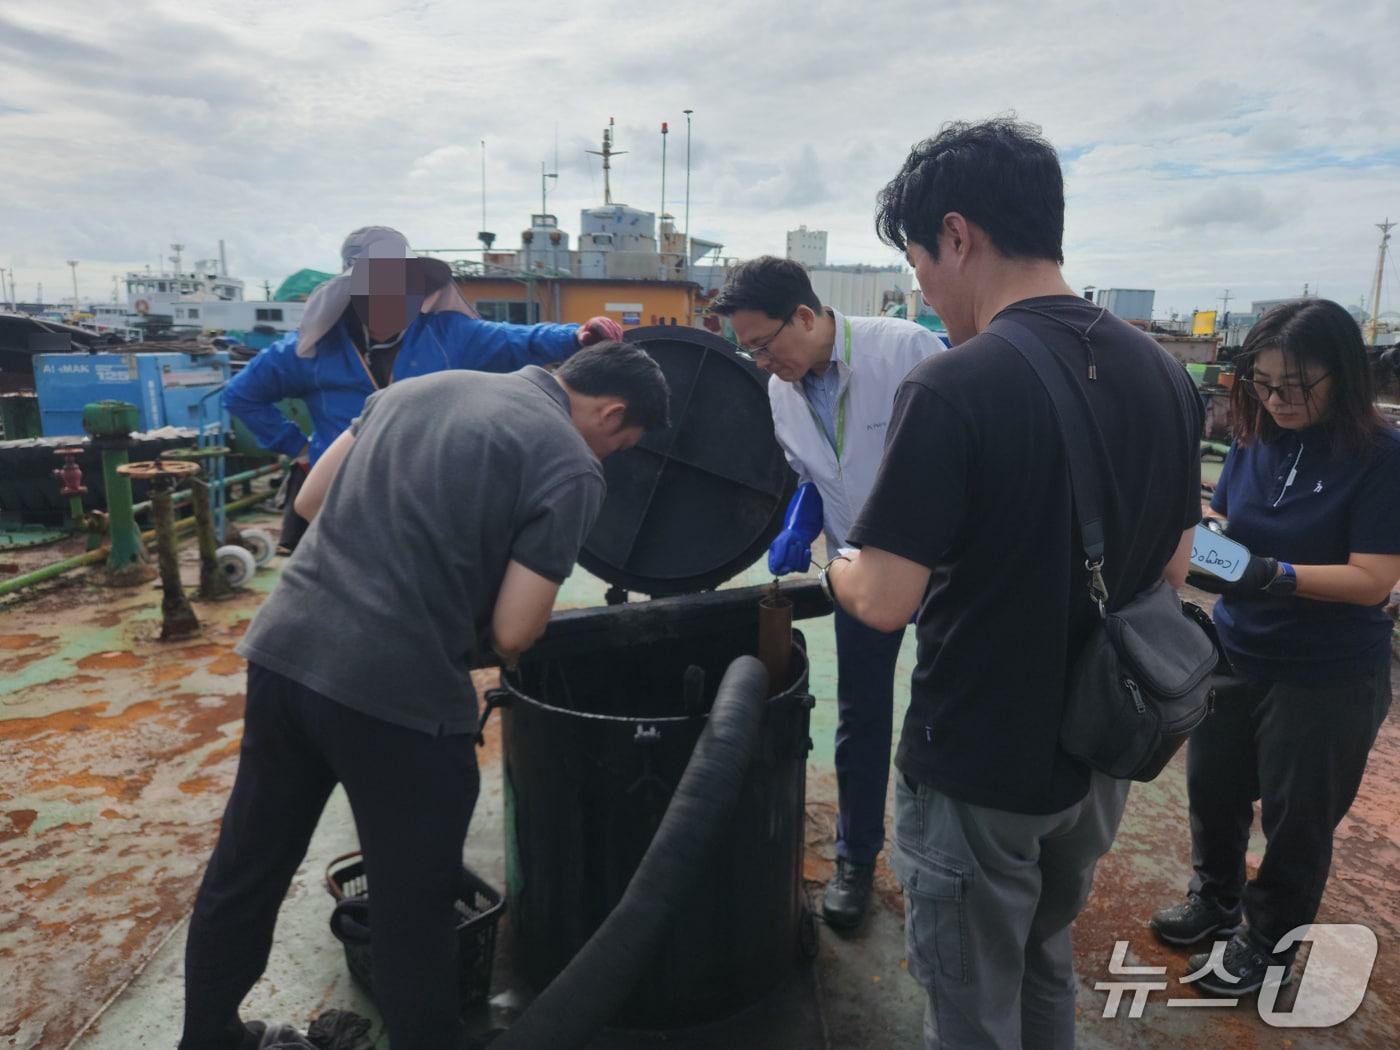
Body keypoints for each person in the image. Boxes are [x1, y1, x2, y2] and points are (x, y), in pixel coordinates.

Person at [822, 118, 1201, 1047]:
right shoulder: (1165, 372)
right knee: (1043, 955)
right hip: (1103, 745)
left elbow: (882, 598)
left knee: (969, 1001)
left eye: (919, 263)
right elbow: (1176, 565)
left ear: (957, 235)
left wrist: (835, 560)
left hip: (983, 762)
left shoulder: (957, 385)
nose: (924, 290)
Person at [179, 343, 670, 1050]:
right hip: (397, 692)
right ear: (612, 411)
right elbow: (514, 629)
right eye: (621, 444)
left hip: (286, 653)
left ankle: (208, 1037)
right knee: (414, 908)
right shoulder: (569, 463)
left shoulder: (421, 387)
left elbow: (312, 500)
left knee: (248, 865)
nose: (611, 456)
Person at [1149, 299, 1400, 994]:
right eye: (1263, 383)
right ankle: (1215, 899)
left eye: (1297, 385)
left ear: (1343, 376)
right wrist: (1209, 526)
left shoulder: (1382, 457)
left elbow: (1374, 577)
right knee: (1214, 788)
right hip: (1236, 648)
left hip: (1326, 674)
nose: (1278, 399)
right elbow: (1228, 514)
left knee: (1298, 819)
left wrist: (1274, 575)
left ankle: (1268, 939)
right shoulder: (1259, 440)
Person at [710, 256, 944, 928]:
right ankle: (855, 858)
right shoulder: (782, 390)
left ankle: (938, 861)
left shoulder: (904, 352)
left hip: (947, 569)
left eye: (762, 342)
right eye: (746, 347)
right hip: (857, 567)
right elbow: (816, 470)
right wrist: (803, 518)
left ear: (806, 317)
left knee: (944, 713)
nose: (757, 360)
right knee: (861, 717)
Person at [223, 226, 623, 551]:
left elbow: (519, 340)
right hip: (340, 502)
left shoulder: (451, 336)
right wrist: (300, 447)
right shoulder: (306, 351)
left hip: (429, 500)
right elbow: (240, 394)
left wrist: (577, 336)